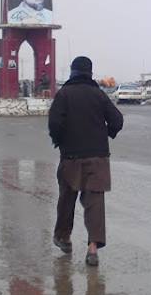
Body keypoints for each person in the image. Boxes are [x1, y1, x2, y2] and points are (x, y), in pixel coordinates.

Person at [48, 56, 124, 267]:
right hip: (98, 157)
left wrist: (59, 140)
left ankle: (64, 238)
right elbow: (117, 120)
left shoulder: (64, 94)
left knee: (67, 198)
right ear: (90, 73)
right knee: (95, 202)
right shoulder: (98, 95)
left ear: (72, 71)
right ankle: (92, 248)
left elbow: (54, 123)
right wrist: (105, 133)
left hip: (70, 156)